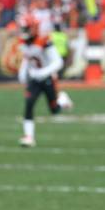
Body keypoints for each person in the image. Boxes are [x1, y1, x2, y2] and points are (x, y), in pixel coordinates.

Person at [17, 15, 73, 147]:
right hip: (34, 79)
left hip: (48, 78)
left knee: (54, 110)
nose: (23, 31)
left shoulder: (44, 41)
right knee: (29, 103)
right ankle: (29, 137)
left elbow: (58, 62)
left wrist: (43, 72)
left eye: (26, 28)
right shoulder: (23, 42)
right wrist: (23, 72)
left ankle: (62, 100)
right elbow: (28, 59)